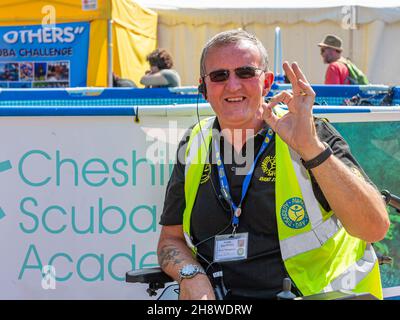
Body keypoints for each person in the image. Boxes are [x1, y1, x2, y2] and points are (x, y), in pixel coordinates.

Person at [158, 29, 389, 300]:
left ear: (266, 82)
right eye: (220, 76)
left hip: (314, 294)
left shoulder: (309, 132)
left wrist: (311, 149)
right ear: (204, 88)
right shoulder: (194, 141)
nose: (233, 86)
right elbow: (170, 240)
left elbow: (374, 228)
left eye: (245, 73)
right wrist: (190, 274)